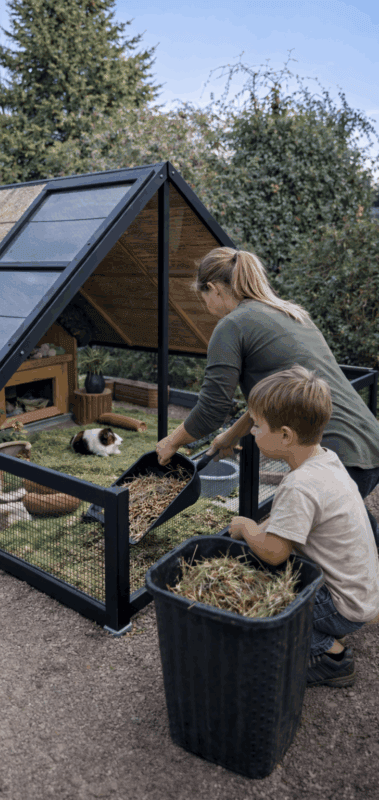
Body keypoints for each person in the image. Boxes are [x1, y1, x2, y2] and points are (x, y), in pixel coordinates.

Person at [155, 247, 379, 544]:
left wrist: (171, 442)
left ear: (213, 289)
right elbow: (278, 395)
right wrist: (231, 436)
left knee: (288, 541)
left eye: (203, 297)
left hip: (337, 453)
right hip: (368, 441)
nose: (206, 305)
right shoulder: (289, 312)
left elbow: (212, 408)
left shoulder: (231, 325)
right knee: (346, 521)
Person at [228, 366, 379, 687]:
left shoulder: (299, 485)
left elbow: (274, 553)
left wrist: (245, 528)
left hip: (343, 606)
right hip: (364, 590)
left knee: (268, 608)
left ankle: (332, 656)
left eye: (256, 426)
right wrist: (265, 528)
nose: (252, 433)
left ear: (285, 435)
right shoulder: (326, 460)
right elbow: (288, 524)